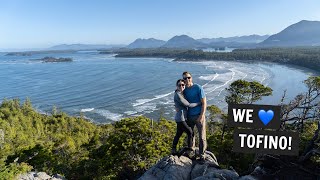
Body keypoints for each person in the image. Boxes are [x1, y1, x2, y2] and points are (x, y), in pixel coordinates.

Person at [182, 71, 207, 161]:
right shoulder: (184, 91)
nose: (187, 79)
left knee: (202, 136)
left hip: (199, 115)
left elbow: (204, 103)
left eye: (188, 77)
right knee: (191, 135)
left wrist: (201, 115)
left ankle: (202, 154)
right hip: (189, 116)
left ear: (191, 78)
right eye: (185, 78)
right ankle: (191, 151)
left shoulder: (198, 88)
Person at [172, 79, 201, 155]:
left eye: (183, 85)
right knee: (190, 132)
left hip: (181, 117)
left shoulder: (181, 93)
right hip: (181, 118)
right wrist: (199, 103)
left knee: (178, 134)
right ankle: (190, 149)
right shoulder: (178, 95)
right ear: (177, 86)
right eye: (179, 85)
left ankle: (173, 149)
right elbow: (188, 104)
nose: (181, 86)